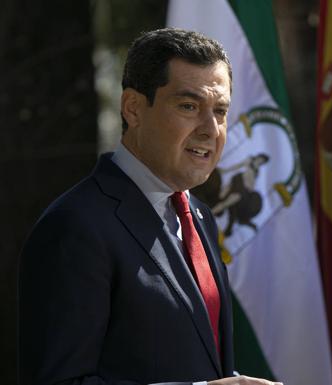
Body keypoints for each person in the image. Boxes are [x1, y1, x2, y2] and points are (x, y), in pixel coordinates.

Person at [19, 28, 281, 385]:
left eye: (220, 111)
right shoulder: (74, 227)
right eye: (189, 106)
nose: (210, 129)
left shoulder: (199, 216)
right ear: (133, 108)